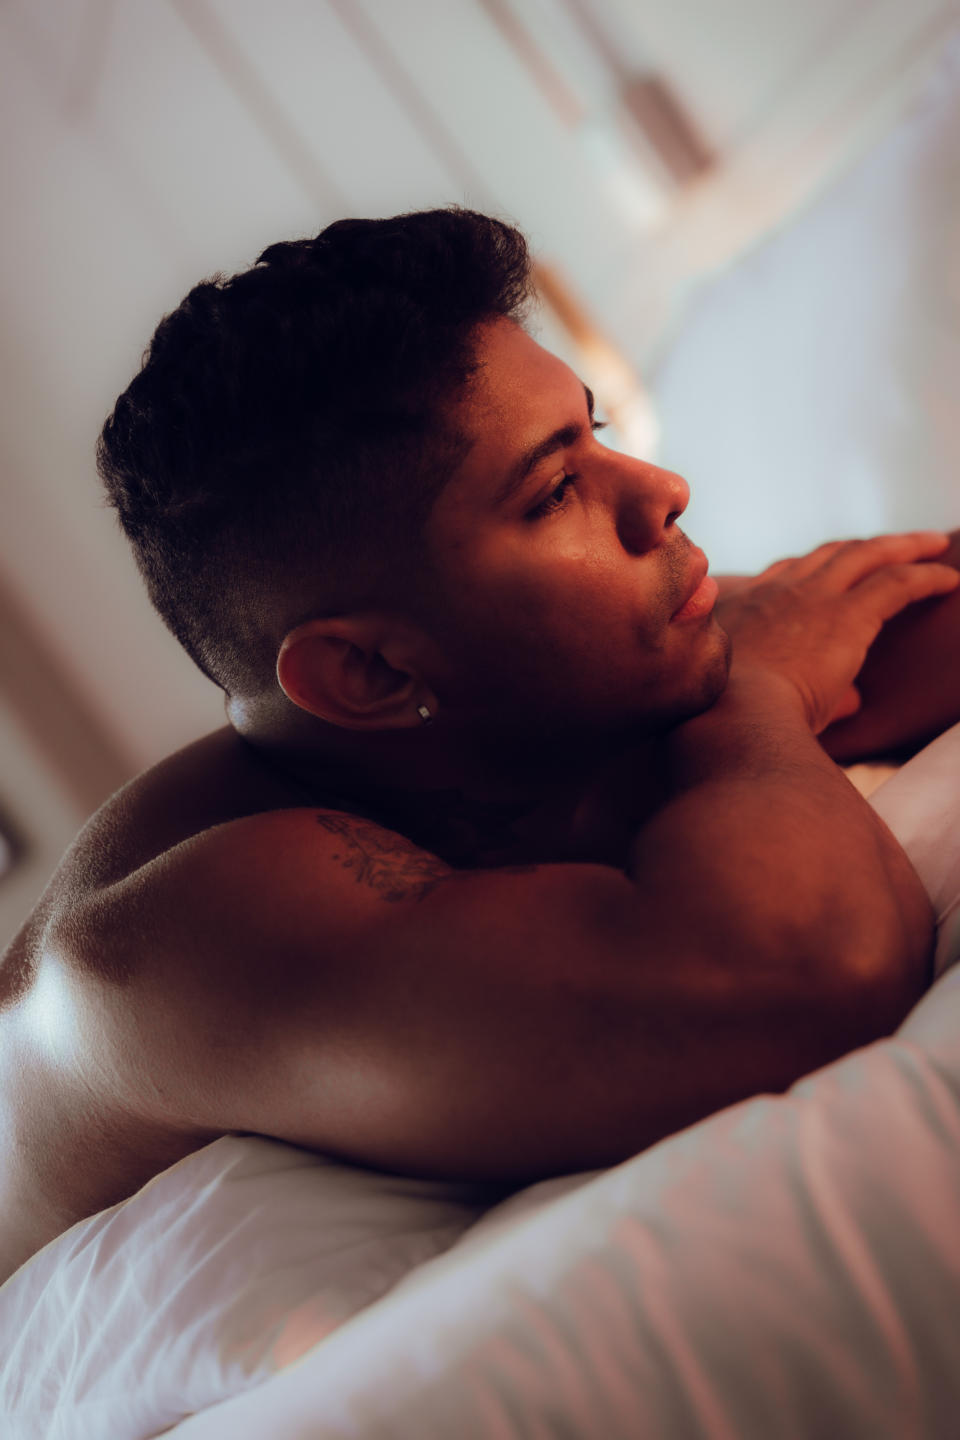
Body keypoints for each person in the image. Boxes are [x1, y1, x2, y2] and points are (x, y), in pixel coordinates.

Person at [1, 207, 959, 1286]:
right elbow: (805, 979)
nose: (662, 492)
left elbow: (885, 617)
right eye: (554, 491)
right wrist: (766, 692)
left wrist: (767, 672)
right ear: (368, 672)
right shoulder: (190, 924)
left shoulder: (535, 672)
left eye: (595, 430)